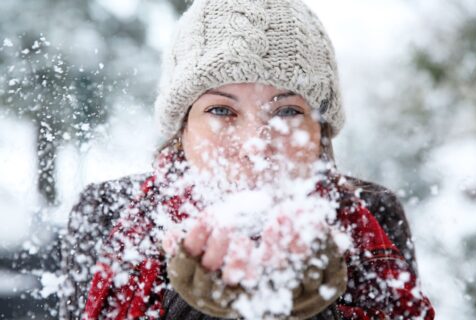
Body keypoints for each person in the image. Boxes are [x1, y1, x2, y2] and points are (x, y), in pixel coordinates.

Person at [58, 0, 435, 319]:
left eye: (286, 111)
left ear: (320, 129)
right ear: (182, 127)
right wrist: (190, 307)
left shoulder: (374, 216)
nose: (256, 144)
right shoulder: (107, 213)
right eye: (222, 111)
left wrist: (313, 306)